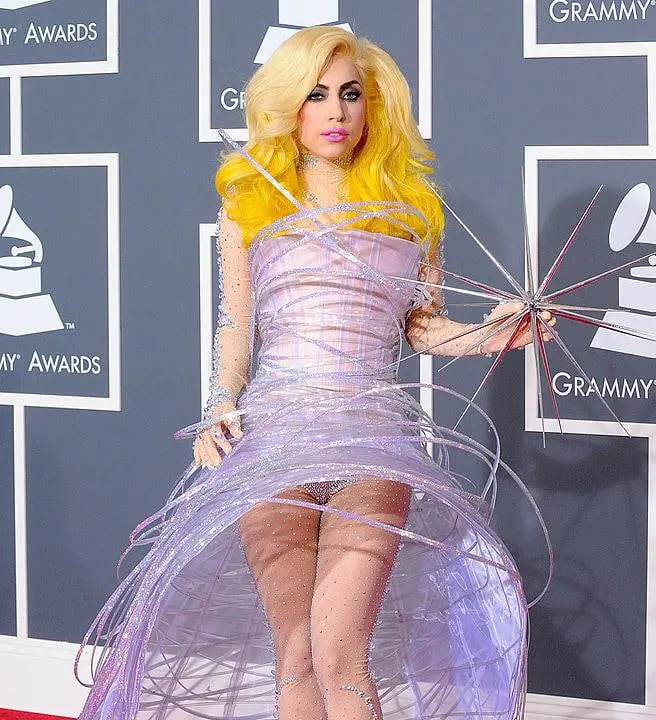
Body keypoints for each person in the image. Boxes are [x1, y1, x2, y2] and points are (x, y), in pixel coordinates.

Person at [76, 25, 553, 720]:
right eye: (316, 95)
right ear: (288, 105)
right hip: (272, 445)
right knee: (295, 657)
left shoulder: (412, 212)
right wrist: (220, 403)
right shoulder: (250, 206)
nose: (335, 112)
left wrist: (496, 334)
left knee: (340, 658)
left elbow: (422, 327)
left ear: (372, 104)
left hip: (372, 444)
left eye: (350, 94)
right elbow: (236, 325)